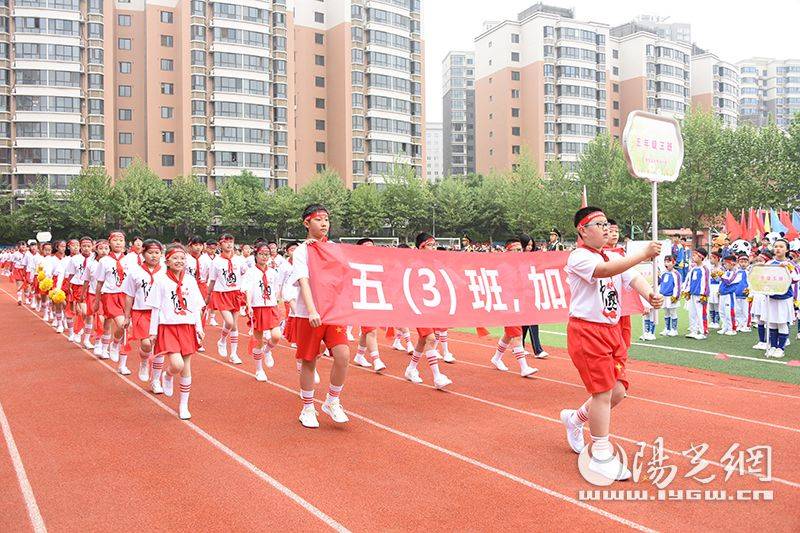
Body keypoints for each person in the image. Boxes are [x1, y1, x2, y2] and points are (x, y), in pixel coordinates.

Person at [560, 206, 662, 482]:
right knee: (603, 393)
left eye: (607, 224)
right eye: (600, 224)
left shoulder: (614, 255)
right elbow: (605, 271)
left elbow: (633, 277)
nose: (606, 229)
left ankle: (575, 419)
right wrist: (642, 254)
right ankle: (601, 456)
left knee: (618, 392)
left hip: (611, 331)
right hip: (587, 331)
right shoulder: (579, 257)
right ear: (582, 230)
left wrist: (649, 294)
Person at [290, 204, 351, 428]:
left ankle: (332, 401)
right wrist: (311, 310)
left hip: (333, 312)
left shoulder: (334, 248)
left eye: (326, 219)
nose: (324, 223)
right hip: (309, 314)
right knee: (309, 360)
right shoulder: (301, 251)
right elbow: (303, 280)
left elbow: (344, 276)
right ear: (307, 223)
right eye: (319, 219)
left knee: (343, 356)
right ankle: (307, 407)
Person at [146, 244, 205, 419]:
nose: (179, 261)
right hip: (168, 327)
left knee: (186, 366)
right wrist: (152, 331)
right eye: (175, 258)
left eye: (182, 258)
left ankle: (183, 405)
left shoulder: (190, 281)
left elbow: (196, 306)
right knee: (177, 364)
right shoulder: (160, 280)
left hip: (187, 326)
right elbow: (155, 308)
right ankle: (168, 374)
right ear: (167, 261)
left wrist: (199, 328)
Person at [403, 232, 452, 389]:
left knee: (423, 340)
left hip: (431, 307)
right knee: (431, 339)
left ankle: (411, 369)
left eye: (434, 245)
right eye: (430, 245)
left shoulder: (436, 263)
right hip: (418, 307)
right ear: (421, 246)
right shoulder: (414, 264)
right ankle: (437, 377)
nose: (434, 248)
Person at [490, 238, 538, 377]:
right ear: (508, 250)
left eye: (520, 249)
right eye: (516, 250)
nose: (519, 252)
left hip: (518, 303)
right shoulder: (502, 266)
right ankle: (524, 367)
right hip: (507, 304)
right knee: (517, 334)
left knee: (509, 333)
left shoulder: (521, 265)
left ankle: (496, 358)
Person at [123, 239, 164, 379]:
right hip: (141, 312)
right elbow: (129, 295)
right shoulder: (135, 272)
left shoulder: (166, 271)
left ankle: (156, 380)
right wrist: (127, 316)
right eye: (150, 252)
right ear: (143, 253)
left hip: (161, 313)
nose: (154, 256)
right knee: (147, 343)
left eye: (157, 253)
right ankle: (144, 361)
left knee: (159, 346)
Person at [242, 243, 282, 382]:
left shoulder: (273, 272)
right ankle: (259, 370)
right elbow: (247, 289)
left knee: (276, 336)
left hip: (271, 306)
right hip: (257, 307)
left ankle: (268, 350)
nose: (264, 257)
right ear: (256, 255)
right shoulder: (251, 272)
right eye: (261, 254)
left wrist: (276, 301)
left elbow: (276, 289)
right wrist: (249, 305)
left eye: (267, 254)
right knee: (258, 340)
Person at [207, 233, 247, 365]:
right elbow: (212, 280)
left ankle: (234, 354)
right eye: (226, 241)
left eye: (231, 241)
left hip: (236, 293)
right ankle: (222, 340)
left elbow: (246, 274)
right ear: (220, 244)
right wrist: (208, 295)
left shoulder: (239, 260)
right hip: (222, 294)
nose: (229, 244)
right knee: (229, 322)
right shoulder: (216, 262)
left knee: (235, 326)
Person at [351, 238, 388, 373]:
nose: (370, 248)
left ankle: (359, 356)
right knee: (371, 330)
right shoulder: (353, 264)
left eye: (371, 246)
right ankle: (376, 360)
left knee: (366, 330)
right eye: (366, 246)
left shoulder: (377, 263)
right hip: (360, 301)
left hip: (374, 300)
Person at [93, 231, 130, 362]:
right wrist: (97, 301)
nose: (118, 243)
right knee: (120, 324)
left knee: (123, 325)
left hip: (126, 296)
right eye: (115, 240)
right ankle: (111, 345)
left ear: (125, 243)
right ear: (109, 243)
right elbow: (99, 282)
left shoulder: (130, 260)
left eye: (121, 240)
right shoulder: (104, 261)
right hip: (110, 296)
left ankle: (113, 344)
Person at [764, 239, 799, 358]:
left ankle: (781, 348)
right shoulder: (769, 263)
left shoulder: (790, 264)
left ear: (787, 249)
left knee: (782, 322)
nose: (778, 249)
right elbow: (762, 278)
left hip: (784, 298)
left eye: (781, 246)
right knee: (772, 323)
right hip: (771, 297)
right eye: (776, 246)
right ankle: (773, 346)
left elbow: (795, 279)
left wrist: (788, 268)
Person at [682, 248, 710, 340]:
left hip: (700, 295)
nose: (693, 257)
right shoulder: (693, 269)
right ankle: (693, 331)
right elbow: (689, 281)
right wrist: (687, 291)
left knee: (701, 313)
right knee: (692, 313)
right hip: (692, 294)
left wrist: (704, 295)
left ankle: (703, 332)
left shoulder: (704, 269)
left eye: (695, 255)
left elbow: (705, 283)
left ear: (701, 257)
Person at [658, 255, 681, 336]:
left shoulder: (676, 274)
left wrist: (675, 296)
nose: (666, 263)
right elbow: (661, 283)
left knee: (673, 312)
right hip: (664, 296)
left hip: (671, 296)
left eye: (668, 262)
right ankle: (667, 328)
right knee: (666, 312)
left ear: (673, 263)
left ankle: (674, 329)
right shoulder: (664, 273)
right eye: (665, 261)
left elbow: (677, 286)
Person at [717, 254, 740, 336]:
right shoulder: (726, 272)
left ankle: (732, 329)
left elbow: (729, 281)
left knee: (729, 312)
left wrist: (721, 275)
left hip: (729, 295)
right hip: (722, 294)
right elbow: (721, 281)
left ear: (732, 263)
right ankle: (725, 327)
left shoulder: (735, 272)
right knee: (722, 311)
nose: (725, 265)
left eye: (726, 263)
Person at [734, 253, 751, 333]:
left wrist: (749, 290)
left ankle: (745, 325)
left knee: (745, 311)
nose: (743, 264)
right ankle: (738, 324)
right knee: (737, 310)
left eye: (745, 262)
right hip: (736, 294)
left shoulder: (749, 272)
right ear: (738, 262)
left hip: (745, 295)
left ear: (748, 263)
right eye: (741, 262)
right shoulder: (735, 272)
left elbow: (751, 283)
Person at [707, 251, 723, 329]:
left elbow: (721, 280)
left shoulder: (721, 268)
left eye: (712, 258)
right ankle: (712, 321)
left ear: (717, 258)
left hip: (717, 287)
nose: (710, 260)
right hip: (711, 287)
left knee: (716, 304)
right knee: (711, 305)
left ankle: (717, 322)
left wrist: (714, 276)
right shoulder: (711, 268)